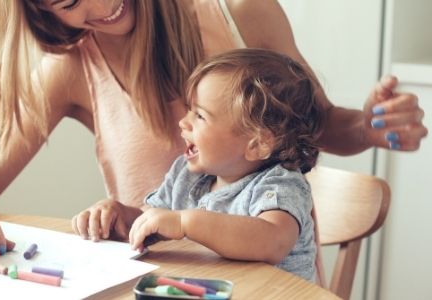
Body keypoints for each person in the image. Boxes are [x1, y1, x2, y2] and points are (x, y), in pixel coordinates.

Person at [0, 0, 427, 262]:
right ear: (45, 13)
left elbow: (319, 125)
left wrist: (370, 127)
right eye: (70, 0)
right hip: (157, 282)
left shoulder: (240, 13)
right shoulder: (71, 68)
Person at [75, 48, 324, 281]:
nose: (184, 122)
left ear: (257, 144)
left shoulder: (281, 185)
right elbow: (155, 221)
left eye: (200, 115)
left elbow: (273, 241)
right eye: (189, 110)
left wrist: (186, 223)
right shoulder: (186, 175)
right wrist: (120, 216)